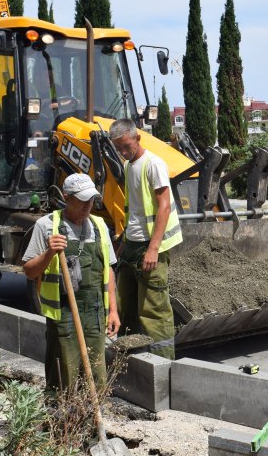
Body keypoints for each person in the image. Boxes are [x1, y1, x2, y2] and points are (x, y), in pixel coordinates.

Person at [22, 173, 120, 393]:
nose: (88, 205)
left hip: (95, 314)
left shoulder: (100, 226)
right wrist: (49, 253)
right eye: (82, 199)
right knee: (64, 375)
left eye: (91, 199)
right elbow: (29, 271)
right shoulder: (46, 225)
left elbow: (109, 271)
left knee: (96, 375)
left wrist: (113, 310)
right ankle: (62, 422)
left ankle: (92, 421)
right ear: (66, 197)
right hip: (63, 314)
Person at [108, 118, 183, 360]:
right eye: (118, 148)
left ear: (137, 138)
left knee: (154, 309)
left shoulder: (153, 164)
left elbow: (163, 207)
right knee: (125, 304)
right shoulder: (130, 165)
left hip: (151, 247)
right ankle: (130, 358)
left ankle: (163, 363)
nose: (122, 151)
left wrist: (153, 249)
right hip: (133, 244)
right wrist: (124, 240)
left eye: (126, 146)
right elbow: (134, 209)